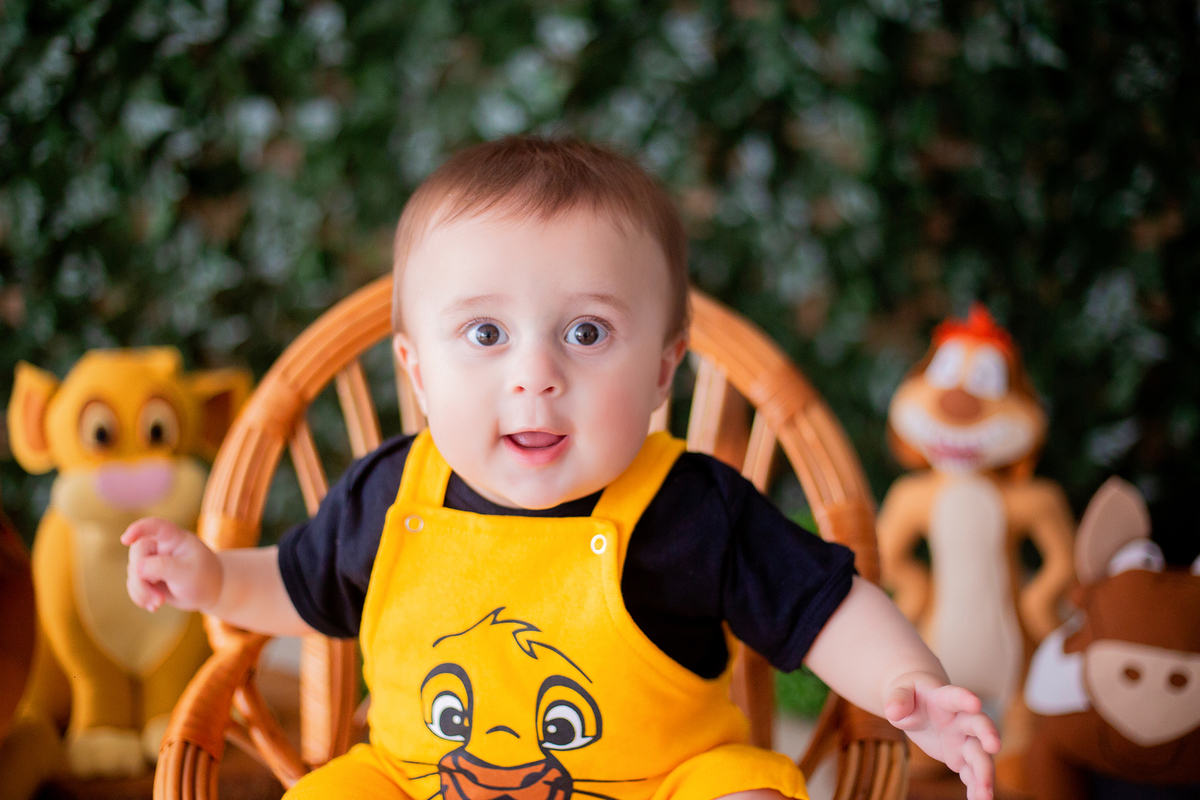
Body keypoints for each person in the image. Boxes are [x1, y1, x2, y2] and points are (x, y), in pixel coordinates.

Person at [124, 137, 999, 800]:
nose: (535, 374)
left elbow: (826, 609)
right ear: (418, 370)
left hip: (666, 784)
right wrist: (207, 576)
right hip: (415, 782)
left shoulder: (692, 508)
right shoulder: (386, 496)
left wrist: (906, 683)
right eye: (485, 333)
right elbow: (289, 586)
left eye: (586, 332)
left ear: (663, 369)